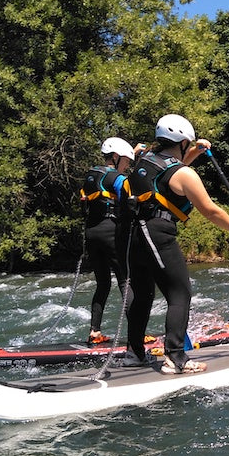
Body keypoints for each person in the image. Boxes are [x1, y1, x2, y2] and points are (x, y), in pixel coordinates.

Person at [117, 113, 229, 373]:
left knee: (144, 295)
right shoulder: (185, 174)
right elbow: (210, 210)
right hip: (157, 233)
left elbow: (170, 169)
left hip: (132, 237)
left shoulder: (144, 161)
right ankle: (175, 358)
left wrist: (195, 149)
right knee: (179, 293)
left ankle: (135, 354)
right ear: (183, 142)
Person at [80, 137, 137, 345]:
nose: (127, 165)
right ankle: (135, 336)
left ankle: (94, 331)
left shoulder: (91, 173)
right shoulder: (117, 178)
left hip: (91, 233)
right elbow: (129, 201)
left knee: (102, 283)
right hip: (110, 232)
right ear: (115, 156)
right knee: (125, 281)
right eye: (126, 161)